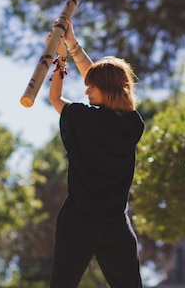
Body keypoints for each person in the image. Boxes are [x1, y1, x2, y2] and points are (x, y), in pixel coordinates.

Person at [47, 18, 145, 288]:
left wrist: (62, 58)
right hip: (114, 223)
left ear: (108, 90)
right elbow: (102, 79)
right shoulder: (133, 124)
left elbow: (55, 98)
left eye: (92, 87)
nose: (86, 89)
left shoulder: (84, 119)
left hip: (80, 220)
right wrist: (72, 43)